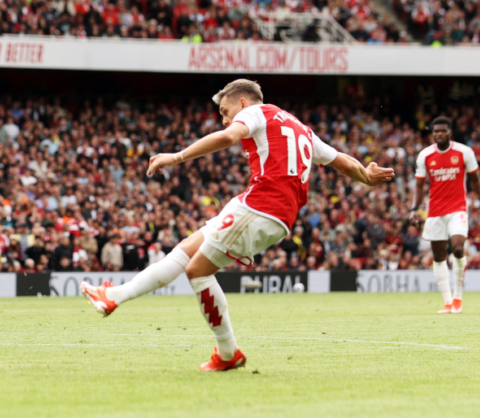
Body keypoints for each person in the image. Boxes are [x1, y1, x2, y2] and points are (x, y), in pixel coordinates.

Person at [80, 79, 394, 371]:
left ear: (243, 102)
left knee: (197, 271)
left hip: (262, 206)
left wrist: (176, 157)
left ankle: (228, 353)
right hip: (264, 207)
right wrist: (367, 177)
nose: (224, 118)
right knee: (186, 251)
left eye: (225, 111)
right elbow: (341, 160)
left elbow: (229, 136)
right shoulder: (300, 128)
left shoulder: (257, 112)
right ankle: (115, 296)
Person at [409, 116, 480, 314]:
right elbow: (419, 186)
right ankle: (447, 301)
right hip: (435, 211)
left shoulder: (464, 152)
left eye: (442, 131)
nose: (438, 134)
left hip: (458, 208)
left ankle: (458, 297)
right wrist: (413, 208)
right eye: (435, 131)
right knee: (438, 256)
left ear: (450, 133)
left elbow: (477, 181)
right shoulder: (425, 155)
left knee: (458, 248)